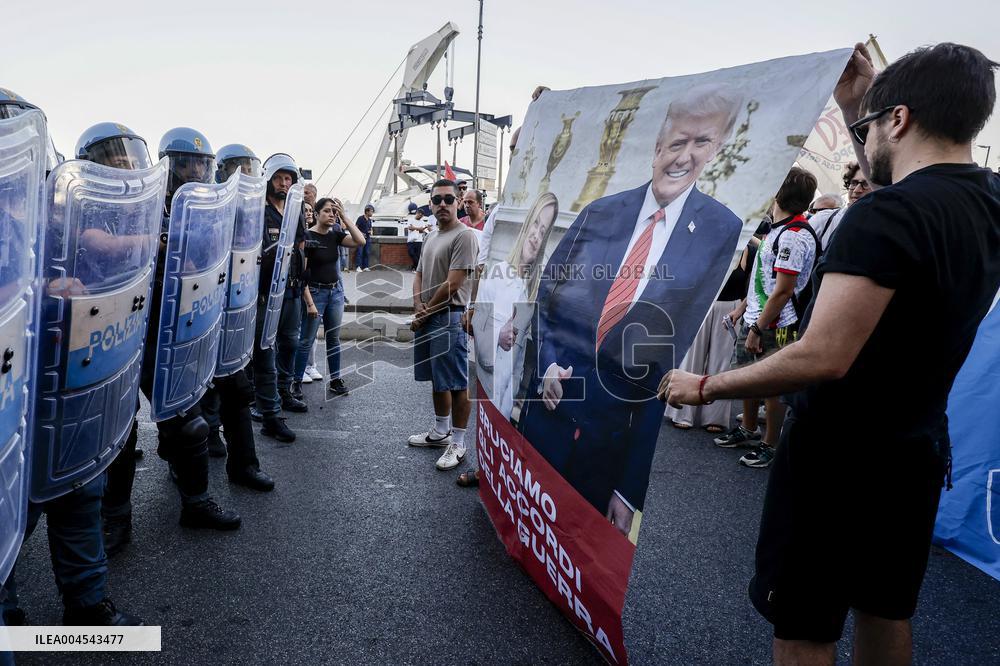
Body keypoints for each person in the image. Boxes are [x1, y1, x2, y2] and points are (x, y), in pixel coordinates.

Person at [661, 42, 1000, 666]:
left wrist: (705, 386)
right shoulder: (989, 201)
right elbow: (906, 186)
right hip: (918, 445)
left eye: (873, 125)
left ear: (898, 120)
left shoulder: (885, 216)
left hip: (840, 455)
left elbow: (825, 356)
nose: (864, 141)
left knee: (804, 627)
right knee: (884, 609)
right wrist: (855, 107)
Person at [517, 83, 745, 536]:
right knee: (525, 536)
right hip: (548, 412)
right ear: (658, 145)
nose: (685, 156)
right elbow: (548, 296)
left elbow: (667, 363)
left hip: (608, 444)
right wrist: (545, 364)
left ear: (717, 148)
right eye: (678, 141)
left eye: (702, 142)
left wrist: (629, 487)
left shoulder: (722, 229)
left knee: (579, 559)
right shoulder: (599, 212)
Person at [0, 104, 142, 627]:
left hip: (57, 374)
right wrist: (38, 289)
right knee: (9, 506)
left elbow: (92, 246)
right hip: (7, 386)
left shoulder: (43, 206)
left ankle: (88, 609)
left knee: (79, 489)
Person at [712, 167, 819, 468]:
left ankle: (770, 444)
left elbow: (783, 292)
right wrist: (742, 308)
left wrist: (758, 327)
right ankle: (748, 429)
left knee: (771, 387)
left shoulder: (794, 237)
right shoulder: (776, 229)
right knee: (748, 378)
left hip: (777, 323)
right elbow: (765, 281)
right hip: (758, 316)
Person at [197, 143, 275, 491]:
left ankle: (244, 465)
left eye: (249, 167)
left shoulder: (251, 212)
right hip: (196, 313)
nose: (245, 174)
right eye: (238, 168)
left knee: (238, 390)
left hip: (230, 314)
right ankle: (191, 474)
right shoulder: (202, 204)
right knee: (188, 402)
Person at [407, 179, 478, 471]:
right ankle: (440, 431)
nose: (443, 205)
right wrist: (417, 305)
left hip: (448, 317)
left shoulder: (465, 236)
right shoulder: (431, 236)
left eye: (449, 199)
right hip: (428, 316)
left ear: (458, 202)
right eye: (437, 200)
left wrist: (423, 314)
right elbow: (419, 274)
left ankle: (459, 442)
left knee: (456, 382)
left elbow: (453, 284)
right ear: (431, 205)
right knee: (438, 379)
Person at [253, 153, 307, 441]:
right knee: (264, 348)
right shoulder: (258, 210)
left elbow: (300, 247)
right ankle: (265, 403)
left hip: (291, 290)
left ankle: (285, 392)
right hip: (265, 292)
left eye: (288, 179)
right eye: (279, 178)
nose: (284, 184)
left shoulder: (295, 209)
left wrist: (302, 285)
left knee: (290, 342)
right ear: (269, 180)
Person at [294, 197, 365, 397]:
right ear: (316, 214)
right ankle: (296, 382)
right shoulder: (307, 237)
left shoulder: (335, 235)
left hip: (335, 293)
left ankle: (335, 379)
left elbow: (360, 241)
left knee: (333, 338)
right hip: (315, 293)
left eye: (333, 212)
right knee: (306, 339)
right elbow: (301, 274)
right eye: (327, 211)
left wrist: (344, 215)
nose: (331, 214)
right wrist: (309, 303)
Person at [809, 161, 871, 248]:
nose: (857, 190)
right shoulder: (824, 219)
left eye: (866, 184)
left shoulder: (886, 226)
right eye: (854, 183)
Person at [405, 202, 431, 270]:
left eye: (422, 215)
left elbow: (422, 231)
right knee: (411, 254)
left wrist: (415, 228)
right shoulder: (411, 219)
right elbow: (410, 228)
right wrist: (418, 228)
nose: (421, 216)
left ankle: (415, 268)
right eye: (420, 215)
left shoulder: (422, 222)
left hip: (419, 240)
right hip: (411, 240)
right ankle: (419, 267)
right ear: (417, 213)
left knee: (418, 255)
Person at [354, 204, 374, 271]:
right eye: (371, 211)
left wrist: (371, 231)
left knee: (367, 252)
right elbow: (355, 227)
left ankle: (365, 267)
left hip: (368, 238)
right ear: (367, 212)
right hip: (360, 238)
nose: (372, 213)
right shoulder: (360, 218)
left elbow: (371, 228)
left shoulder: (369, 220)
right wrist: (361, 233)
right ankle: (358, 267)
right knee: (360, 252)